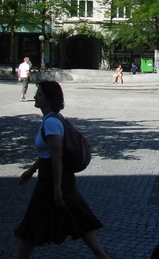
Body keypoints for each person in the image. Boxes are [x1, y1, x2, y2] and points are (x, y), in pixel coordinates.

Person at [14, 81, 109, 259]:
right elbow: (48, 153)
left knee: (32, 224)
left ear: (49, 100)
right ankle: (102, 256)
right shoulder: (55, 119)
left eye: (39, 94)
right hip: (58, 178)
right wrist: (31, 170)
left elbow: (57, 156)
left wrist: (57, 189)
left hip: (52, 180)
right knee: (79, 219)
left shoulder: (51, 123)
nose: (35, 97)